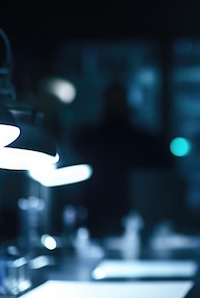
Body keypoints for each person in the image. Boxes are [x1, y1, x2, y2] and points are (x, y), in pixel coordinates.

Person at [71, 81, 175, 239]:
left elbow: (167, 167)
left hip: (131, 213)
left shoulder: (140, 140)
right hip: (97, 214)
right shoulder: (91, 139)